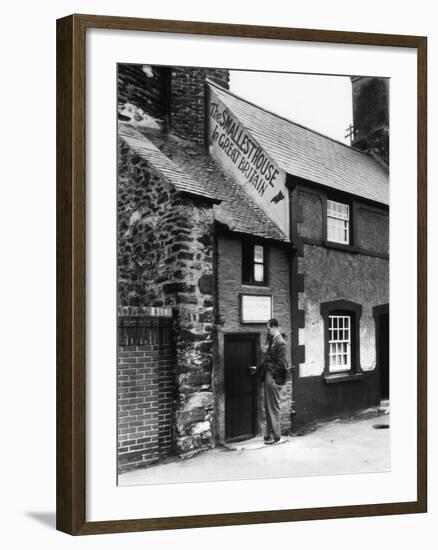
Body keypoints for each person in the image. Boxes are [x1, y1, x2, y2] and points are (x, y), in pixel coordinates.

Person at [249, 318, 288, 445]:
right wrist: (258, 368)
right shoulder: (273, 340)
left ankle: (276, 436)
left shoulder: (280, 342)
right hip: (268, 376)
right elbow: (268, 360)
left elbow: (281, 364)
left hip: (272, 377)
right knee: (268, 406)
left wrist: (273, 376)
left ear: (274, 327)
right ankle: (269, 434)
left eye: (268, 328)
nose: (267, 330)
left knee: (273, 407)